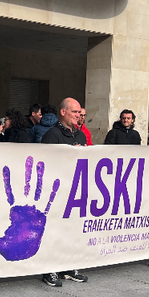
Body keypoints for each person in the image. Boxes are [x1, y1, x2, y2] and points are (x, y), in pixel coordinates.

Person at [41, 97, 89, 285]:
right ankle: (49, 269)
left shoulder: (80, 135)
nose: (78, 115)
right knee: (53, 231)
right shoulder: (52, 134)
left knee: (72, 231)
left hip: (75, 191)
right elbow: (44, 162)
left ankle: (69, 266)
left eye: (79, 113)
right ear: (63, 112)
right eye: (75, 112)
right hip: (56, 192)